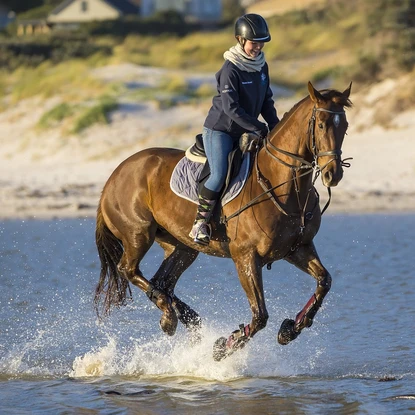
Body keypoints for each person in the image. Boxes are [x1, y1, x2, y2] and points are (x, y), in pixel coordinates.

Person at [189, 13, 280, 245]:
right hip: (221, 130)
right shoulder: (230, 69)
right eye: (254, 42)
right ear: (240, 40)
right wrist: (258, 126)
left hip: (247, 130)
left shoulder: (261, 67)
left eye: (261, 42)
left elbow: (267, 102)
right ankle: (200, 223)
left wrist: (276, 127)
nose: (258, 47)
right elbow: (231, 109)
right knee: (219, 173)